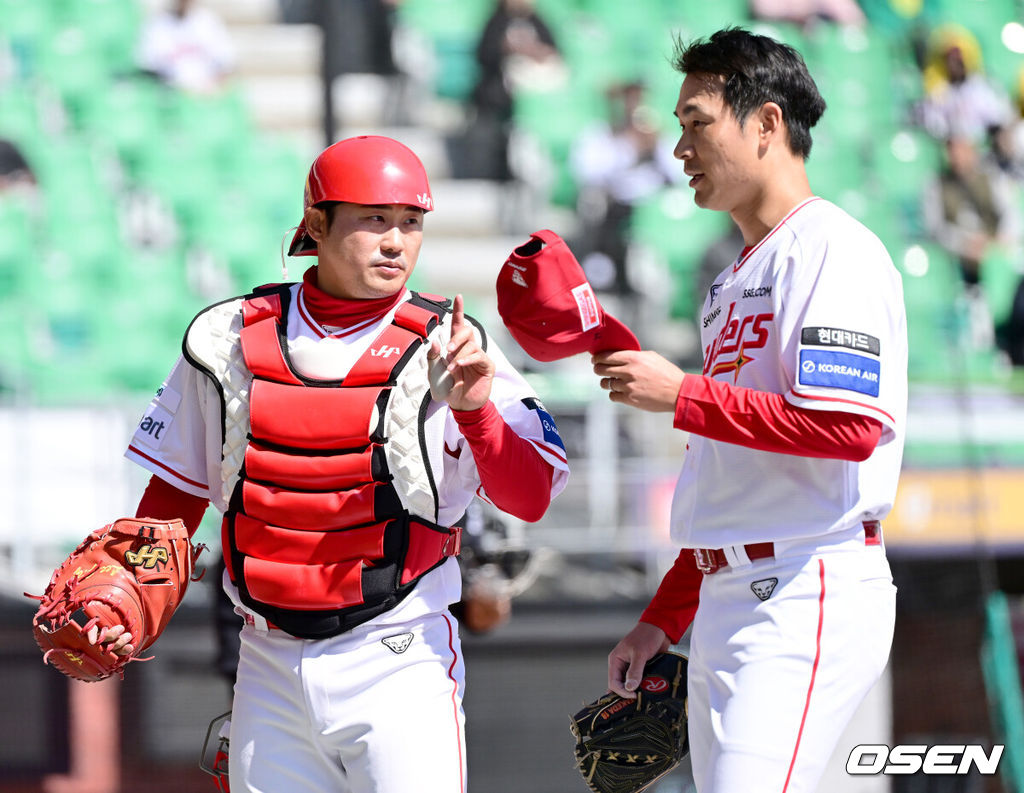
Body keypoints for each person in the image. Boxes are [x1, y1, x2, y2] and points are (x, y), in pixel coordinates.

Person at [109, 134, 568, 792]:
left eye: (411, 222)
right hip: (265, 660)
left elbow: (531, 496)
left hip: (399, 657)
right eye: (374, 218)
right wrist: (127, 600)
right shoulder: (228, 336)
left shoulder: (452, 342)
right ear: (317, 224)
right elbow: (172, 503)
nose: (396, 241)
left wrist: (474, 408)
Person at [590, 28, 907, 793]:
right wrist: (664, 616)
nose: (680, 148)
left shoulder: (833, 249)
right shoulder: (729, 283)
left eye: (698, 123)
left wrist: (683, 393)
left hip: (808, 580)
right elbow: (732, 481)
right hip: (734, 593)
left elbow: (848, 431)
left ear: (766, 124)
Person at [570, 79, 680, 295]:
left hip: (652, 208)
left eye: (636, 99)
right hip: (614, 210)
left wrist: (655, 147)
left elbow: (678, 174)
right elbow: (588, 173)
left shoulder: (656, 134)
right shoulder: (599, 135)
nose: (631, 106)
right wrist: (630, 151)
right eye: (626, 99)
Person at [136, 0, 236, 94]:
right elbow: (148, 68)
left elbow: (226, 64)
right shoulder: (157, 24)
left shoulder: (208, 21)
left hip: (206, 94)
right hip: (170, 95)